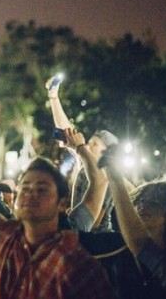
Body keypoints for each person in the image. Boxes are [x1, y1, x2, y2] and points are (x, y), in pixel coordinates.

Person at [0, 93, 112, 298]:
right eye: (25, 188)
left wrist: (80, 148)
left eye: (42, 189)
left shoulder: (79, 265)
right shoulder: (4, 239)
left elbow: (99, 182)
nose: (30, 194)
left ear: (62, 204)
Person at [104, 153, 166, 299]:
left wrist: (115, 179)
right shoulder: (120, 246)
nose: (142, 207)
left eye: (153, 203)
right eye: (141, 201)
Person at [46, 75, 116, 231]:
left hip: (98, 241)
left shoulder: (107, 175)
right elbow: (67, 130)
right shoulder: (84, 163)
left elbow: (95, 222)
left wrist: (71, 218)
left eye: (95, 144)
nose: (88, 146)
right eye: (89, 142)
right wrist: (53, 97)